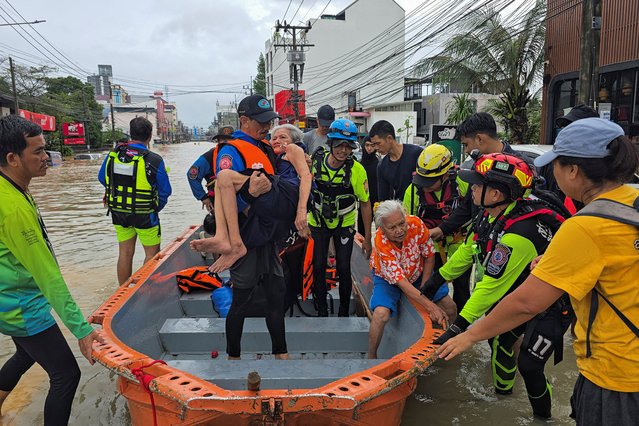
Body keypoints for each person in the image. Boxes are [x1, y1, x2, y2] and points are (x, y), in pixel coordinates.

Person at [438, 118, 639, 425]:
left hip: (616, 376)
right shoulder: (632, 203)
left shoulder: (585, 226)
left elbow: (526, 303)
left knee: (528, 364)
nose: (552, 172)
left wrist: (468, 335)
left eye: (555, 164)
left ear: (573, 170)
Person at [424, 152, 571, 419]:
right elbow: (469, 250)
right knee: (497, 340)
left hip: (548, 306)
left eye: (478, 186)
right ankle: (502, 397)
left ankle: (541, 417)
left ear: (495, 194)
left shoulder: (518, 235)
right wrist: (435, 281)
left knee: (529, 364)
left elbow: (489, 286)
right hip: (514, 295)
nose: (471, 189)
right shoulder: (491, 215)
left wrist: (459, 328)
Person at [0, 115, 104, 424]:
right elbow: (48, 276)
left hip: (7, 300)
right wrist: (82, 331)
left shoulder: (10, 188)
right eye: (37, 152)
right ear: (12, 158)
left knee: (25, 354)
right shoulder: (15, 209)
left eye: (46, 149)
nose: (47, 158)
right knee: (67, 375)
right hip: (21, 308)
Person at [202, 94, 288, 360]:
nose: (266, 126)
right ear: (244, 121)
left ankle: (281, 353)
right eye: (260, 122)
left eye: (269, 121)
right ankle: (233, 356)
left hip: (269, 238)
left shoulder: (265, 148)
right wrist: (249, 194)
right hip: (246, 240)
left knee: (277, 297)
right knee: (241, 301)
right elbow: (225, 208)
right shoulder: (230, 154)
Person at [191, 123, 312, 272]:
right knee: (222, 179)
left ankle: (234, 244)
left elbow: (306, 176)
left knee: (226, 176)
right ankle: (225, 238)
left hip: (287, 194)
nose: (277, 140)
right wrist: (204, 197)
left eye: (283, 137)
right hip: (278, 194)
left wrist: (301, 211)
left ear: (293, 140)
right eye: (274, 138)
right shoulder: (272, 154)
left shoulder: (292, 149)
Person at [368, 200, 454, 359]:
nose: (399, 230)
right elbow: (403, 284)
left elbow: (429, 257)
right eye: (392, 228)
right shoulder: (381, 242)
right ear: (382, 229)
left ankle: (451, 346)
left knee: (450, 307)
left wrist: (425, 289)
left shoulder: (416, 224)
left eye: (401, 224)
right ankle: (372, 355)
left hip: (418, 271)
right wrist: (430, 307)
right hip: (388, 279)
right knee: (380, 314)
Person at [429, 112, 526, 242]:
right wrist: (442, 229)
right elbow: (468, 205)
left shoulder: (521, 168)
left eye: (466, 144)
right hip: (480, 242)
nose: (465, 151)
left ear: (480, 139)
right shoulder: (480, 165)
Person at [309, 118, 372, 317]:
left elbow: (365, 203)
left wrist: (368, 238)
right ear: (330, 143)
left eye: (348, 146)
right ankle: (321, 310)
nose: (343, 150)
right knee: (318, 265)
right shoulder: (315, 162)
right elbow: (303, 191)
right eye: (339, 145)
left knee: (344, 267)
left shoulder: (357, 170)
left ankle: (344, 311)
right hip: (318, 222)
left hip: (344, 224)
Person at [98, 117, 172, 285]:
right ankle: (143, 292)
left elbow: (103, 178)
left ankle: (122, 293)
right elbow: (165, 191)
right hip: (145, 215)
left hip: (119, 213)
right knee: (152, 255)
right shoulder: (154, 159)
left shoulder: (113, 155)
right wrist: (153, 207)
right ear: (150, 135)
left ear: (131, 134)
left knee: (125, 253)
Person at [403, 144, 471, 310]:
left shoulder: (462, 183)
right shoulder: (413, 191)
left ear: (446, 174)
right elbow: (408, 223)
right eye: (422, 180)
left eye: (430, 181)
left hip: (459, 243)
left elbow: (472, 210)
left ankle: (459, 328)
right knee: (434, 285)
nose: (425, 186)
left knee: (462, 286)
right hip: (430, 247)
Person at [369, 120, 423, 202]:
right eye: (374, 145)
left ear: (389, 138)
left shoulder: (416, 153)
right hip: (401, 211)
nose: (375, 148)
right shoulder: (382, 166)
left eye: (378, 143)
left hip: (422, 207)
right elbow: (384, 200)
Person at [187, 127, 234, 212]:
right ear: (218, 141)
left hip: (240, 198)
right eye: (223, 139)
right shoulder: (209, 156)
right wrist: (203, 197)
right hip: (217, 200)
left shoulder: (241, 153)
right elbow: (192, 175)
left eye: (229, 139)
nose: (226, 142)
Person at [357, 136, 379, 235]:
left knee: (381, 232)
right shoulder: (359, 165)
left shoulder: (380, 164)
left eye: (372, 145)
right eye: (367, 145)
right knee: (362, 233)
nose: (369, 148)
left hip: (378, 202)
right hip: (364, 201)